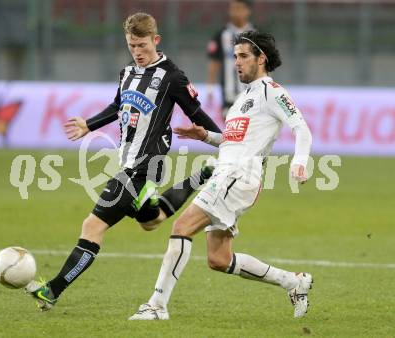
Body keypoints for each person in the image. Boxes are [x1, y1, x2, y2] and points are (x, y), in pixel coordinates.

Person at [25, 12, 221, 311]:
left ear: (155, 40)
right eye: (132, 46)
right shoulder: (127, 72)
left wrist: (225, 141)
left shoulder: (172, 76)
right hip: (129, 164)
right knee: (152, 222)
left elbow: (197, 114)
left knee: (92, 226)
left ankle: (52, 290)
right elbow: (118, 105)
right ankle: (202, 174)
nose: (138, 52)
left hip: (141, 168)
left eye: (142, 45)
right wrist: (89, 125)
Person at [129, 30, 314, 320]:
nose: (236, 63)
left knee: (181, 227)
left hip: (237, 177)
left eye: (243, 56)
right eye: (235, 57)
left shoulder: (272, 91)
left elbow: (301, 128)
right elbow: (233, 139)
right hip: (229, 176)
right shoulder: (243, 98)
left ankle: (156, 306)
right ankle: (294, 282)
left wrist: (299, 162)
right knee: (218, 259)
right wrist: (205, 135)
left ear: (261, 58)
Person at [206, 0, 255, 118]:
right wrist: (210, 88)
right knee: (231, 132)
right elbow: (214, 62)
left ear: (248, 11)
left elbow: (264, 63)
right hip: (229, 95)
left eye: (238, 8)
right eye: (232, 9)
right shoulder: (221, 34)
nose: (234, 12)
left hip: (252, 94)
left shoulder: (256, 34)